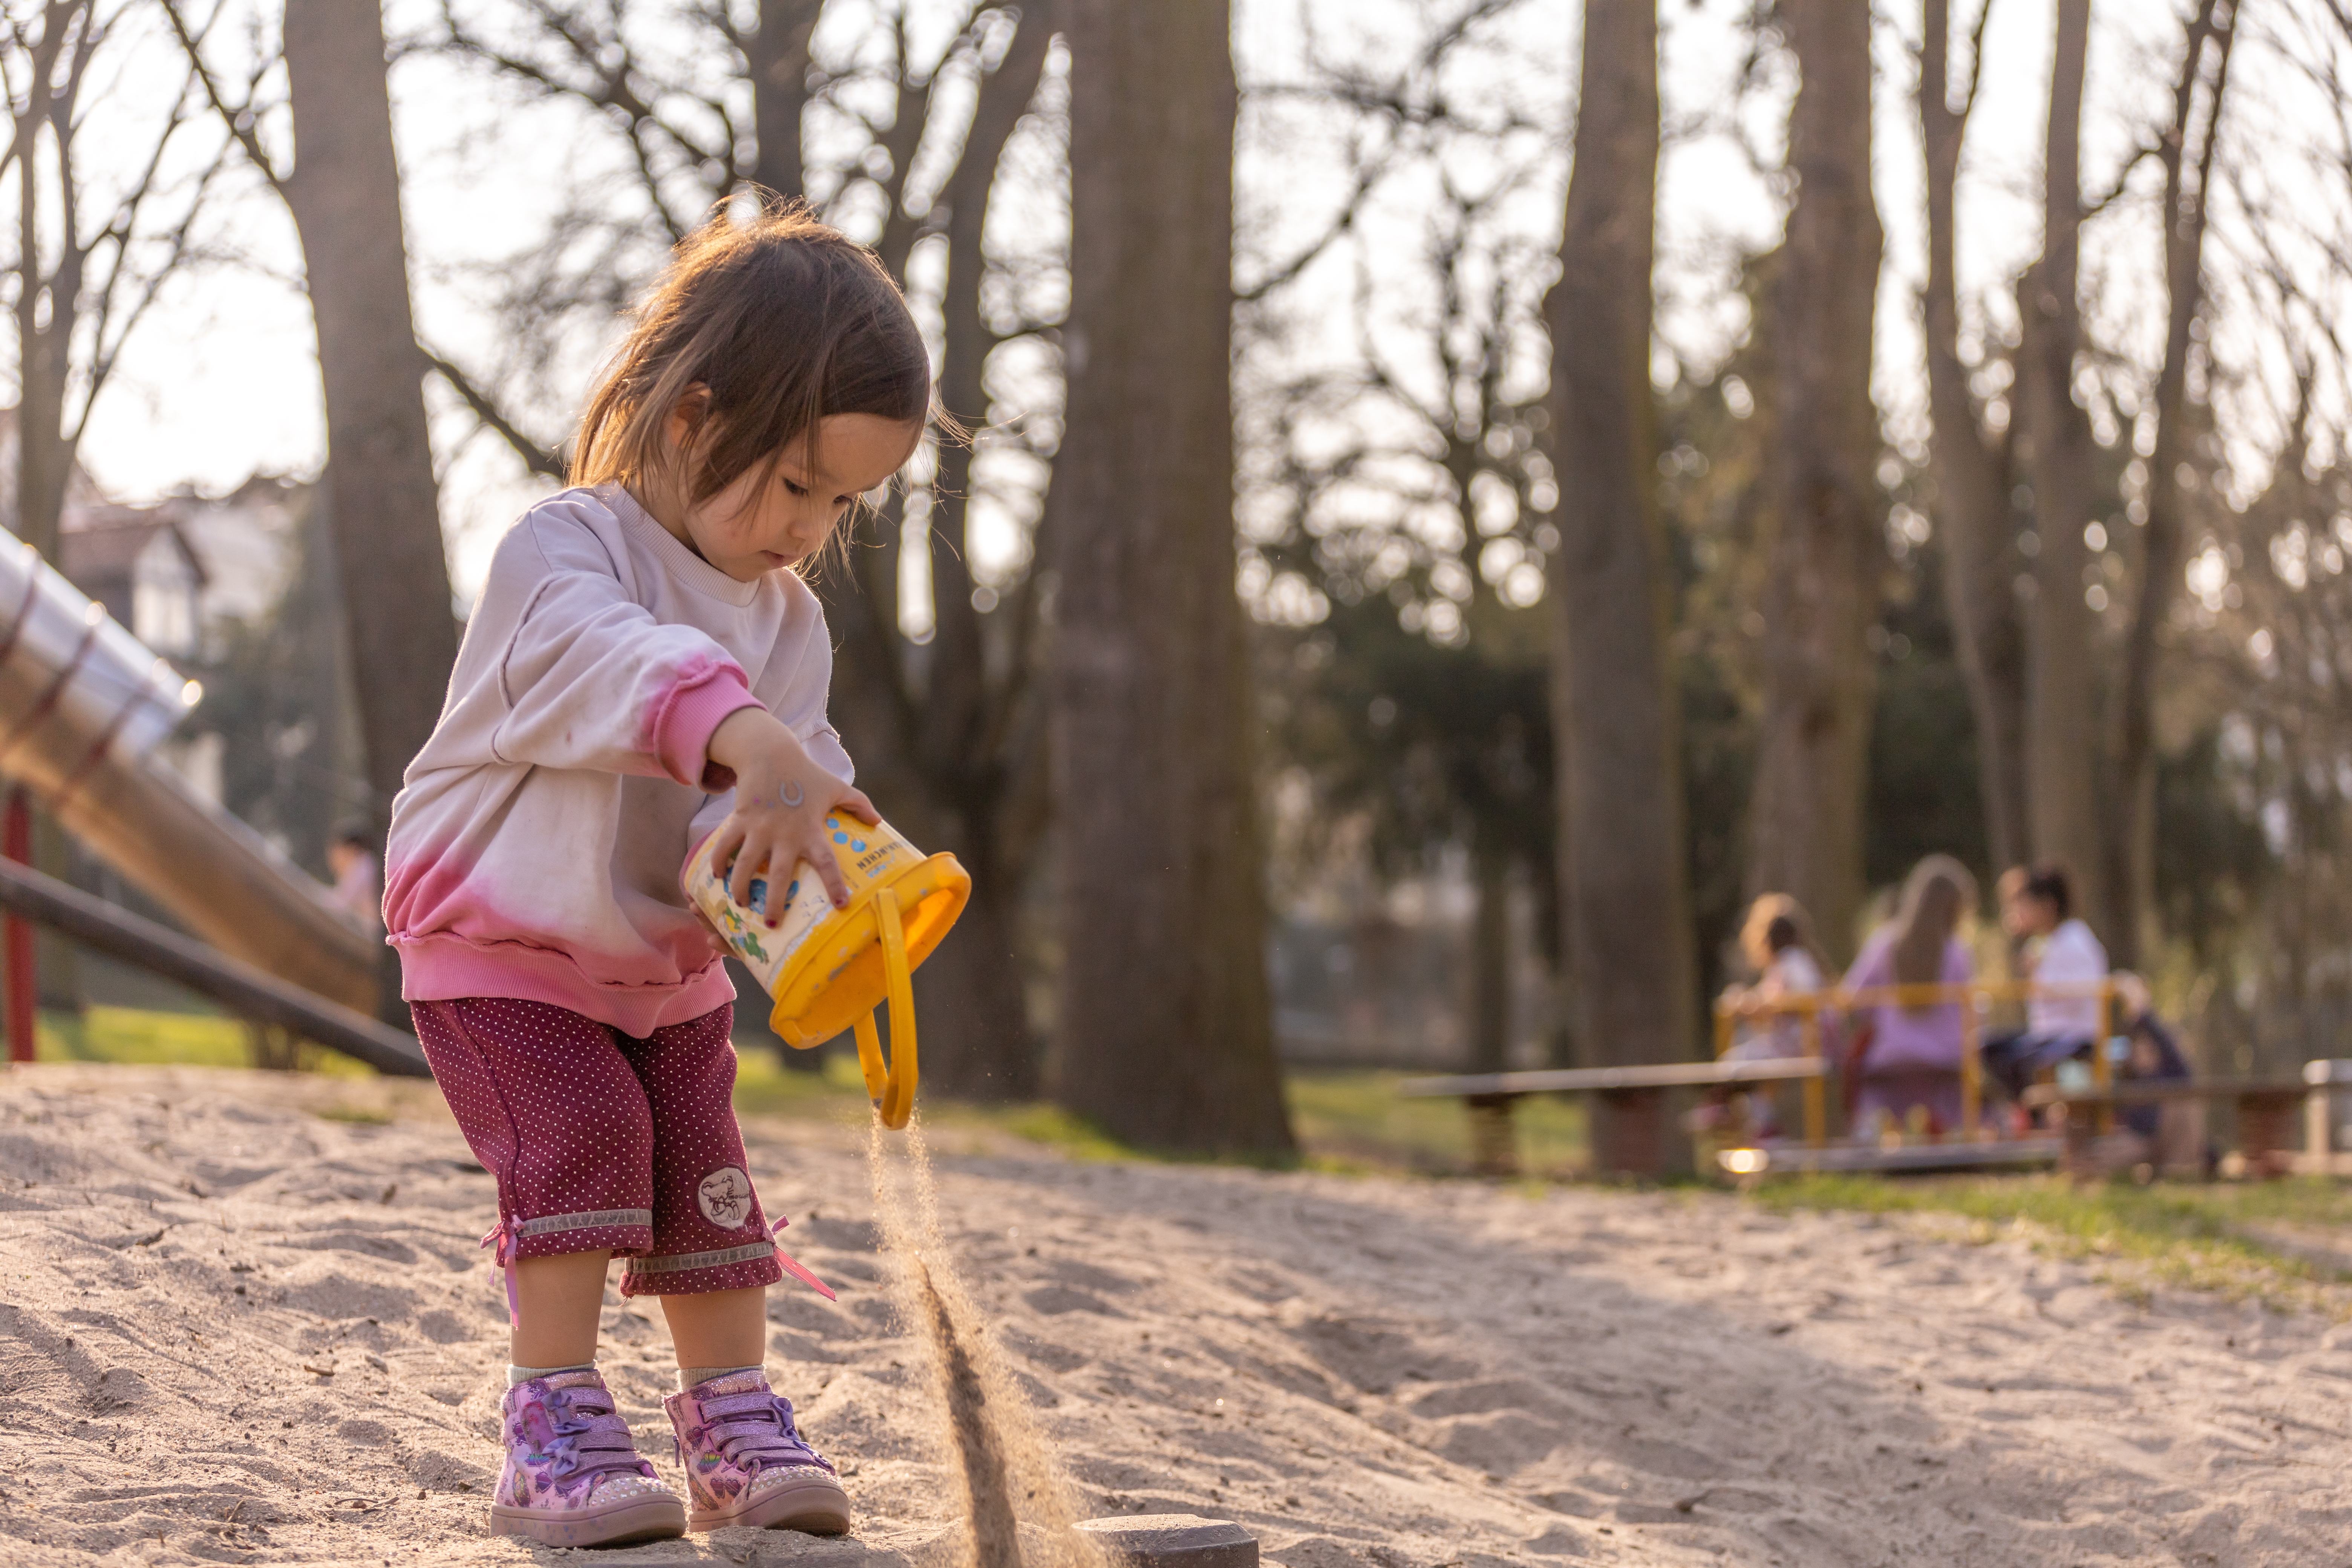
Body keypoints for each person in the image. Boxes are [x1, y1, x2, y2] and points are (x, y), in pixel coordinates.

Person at [382, 203, 927, 1548]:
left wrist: (840, 879)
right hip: (504, 935)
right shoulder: (563, 552)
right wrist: (752, 747)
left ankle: (728, 1415)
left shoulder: (786, 619)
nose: (808, 529)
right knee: (584, 1145)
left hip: (654, 962)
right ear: (693, 419)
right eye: (796, 484)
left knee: (707, 1178)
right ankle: (549, 1422)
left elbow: (776, 790)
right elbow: (613, 665)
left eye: (842, 501)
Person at [1841, 856, 1977, 1138]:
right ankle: (1959, 1135)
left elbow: (1851, 997)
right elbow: (1973, 1012)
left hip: (1891, 1056)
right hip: (1947, 1058)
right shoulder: (1958, 952)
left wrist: (1876, 1015)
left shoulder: (1885, 943)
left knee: (1875, 1100)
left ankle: (1867, 1135)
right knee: (1959, 1099)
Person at [1982, 863, 2109, 1102]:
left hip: (2074, 1037)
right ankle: (2029, 1111)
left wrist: (2041, 979)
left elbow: (2081, 994)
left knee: (2016, 1060)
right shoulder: (2046, 944)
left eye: (2029, 904)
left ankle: (2036, 1114)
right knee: (1989, 1049)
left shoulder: (2076, 940)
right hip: (2049, 1034)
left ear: (2048, 905)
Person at [325, 822, 381, 936]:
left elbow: (342, 904)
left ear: (350, 849)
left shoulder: (364, 866)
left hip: (370, 935)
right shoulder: (362, 866)